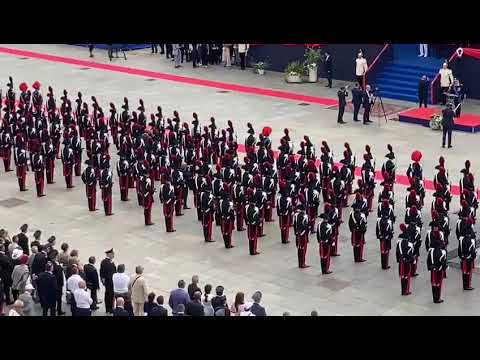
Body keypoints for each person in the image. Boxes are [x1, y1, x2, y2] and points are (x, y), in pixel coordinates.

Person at [100, 248, 116, 314]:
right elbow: (114, 274)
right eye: (112, 254)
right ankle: (111, 309)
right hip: (111, 282)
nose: (113, 255)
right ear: (109, 254)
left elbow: (101, 272)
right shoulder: (110, 263)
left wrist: (102, 280)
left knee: (107, 295)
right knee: (111, 296)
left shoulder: (103, 262)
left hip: (106, 282)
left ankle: (107, 309)